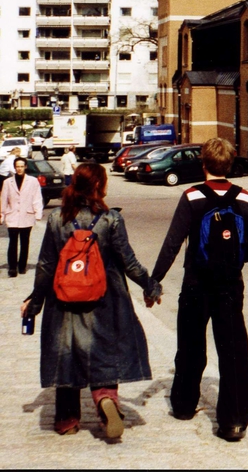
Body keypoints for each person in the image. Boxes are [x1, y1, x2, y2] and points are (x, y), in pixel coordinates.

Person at [20, 163, 160, 438]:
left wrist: (34, 303)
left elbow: (46, 265)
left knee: (67, 354)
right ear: (98, 186)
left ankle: (67, 419)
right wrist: (150, 285)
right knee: (103, 350)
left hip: (65, 299)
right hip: (106, 299)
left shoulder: (57, 219)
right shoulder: (111, 219)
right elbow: (128, 262)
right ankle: (105, 398)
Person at [148, 137, 248, 442]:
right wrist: (235, 260)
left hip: (196, 283)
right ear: (229, 164)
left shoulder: (192, 196)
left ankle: (184, 405)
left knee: (191, 346)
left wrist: (154, 280)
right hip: (229, 286)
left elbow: (173, 243)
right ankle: (233, 421)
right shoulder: (245, 198)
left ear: (204, 164)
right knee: (234, 350)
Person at [3, 157, 44, 277]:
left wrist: (38, 213)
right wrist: (2, 215)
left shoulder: (33, 181)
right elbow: (4, 199)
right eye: (17, 166)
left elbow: (37, 198)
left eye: (22, 166)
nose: (19, 168)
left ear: (25, 167)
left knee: (25, 242)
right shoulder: (7, 182)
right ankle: (12, 267)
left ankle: (22, 266)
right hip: (12, 216)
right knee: (13, 242)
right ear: (14, 167)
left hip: (27, 215)